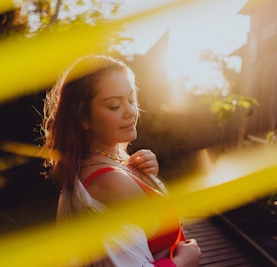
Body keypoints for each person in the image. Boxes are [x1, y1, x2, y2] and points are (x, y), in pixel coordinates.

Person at [42, 55, 201, 267]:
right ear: (83, 118)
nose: (131, 112)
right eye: (115, 105)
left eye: (131, 99)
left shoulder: (104, 163)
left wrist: (147, 176)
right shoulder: (110, 182)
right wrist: (184, 261)